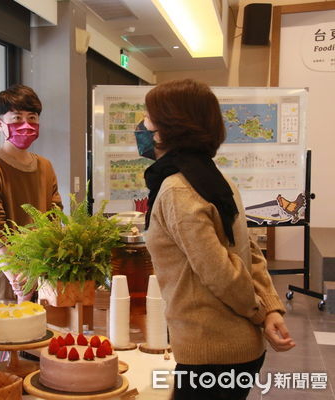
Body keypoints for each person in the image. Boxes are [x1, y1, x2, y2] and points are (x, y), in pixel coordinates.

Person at [140, 79, 295, 400]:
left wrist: (260, 312)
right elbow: (249, 250)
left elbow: (220, 272)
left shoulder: (178, 189)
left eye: (148, 118)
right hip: (235, 351)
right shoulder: (215, 178)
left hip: (211, 352)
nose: (141, 125)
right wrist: (269, 309)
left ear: (168, 128)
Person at [0, 84, 62, 303]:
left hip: (41, 275)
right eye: (16, 119)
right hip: (4, 278)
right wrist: (17, 277)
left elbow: (55, 216)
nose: (26, 125)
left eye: (32, 118)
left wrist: (38, 269)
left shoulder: (45, 166)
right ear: (0, 124)